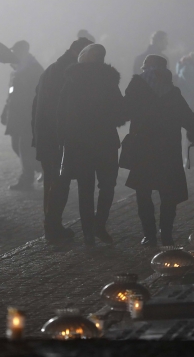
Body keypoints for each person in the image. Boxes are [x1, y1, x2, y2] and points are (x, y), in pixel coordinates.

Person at [124, 55, 194, 247]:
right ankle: (166, 233)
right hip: (167, 149)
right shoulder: (172, 91)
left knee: (143, 192)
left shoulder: (136, 88)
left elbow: (124, 112)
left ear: (146, 68)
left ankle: (149, 235)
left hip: (142, 148)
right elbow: (187, 117)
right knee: (168, 192)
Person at [56, 44, 126, 247]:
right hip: (105, 140)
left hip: (79, 143)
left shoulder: (72, 81)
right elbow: (120, 112)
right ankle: (99, 224)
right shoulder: (109, 81)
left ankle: (88, 232)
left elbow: (62, 112)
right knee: (107, 186)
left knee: (85, 188)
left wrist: (64, 139)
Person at [32, 37, 93, 243]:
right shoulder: (71, 73)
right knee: (59, 184)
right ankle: (52, 228)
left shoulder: (51, 70)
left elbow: (36, 103)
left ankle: (52, 226)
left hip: (45, 137)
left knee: (52, 182)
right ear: (79, 53)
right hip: (59, 138)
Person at [2, 40, 44, 190]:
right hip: (16, 114)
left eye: (16, 52)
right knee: (16, 146)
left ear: (24, 51)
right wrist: (5, 110)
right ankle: (42, 168)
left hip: (28, 114)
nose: (13, 54)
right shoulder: (16, 70)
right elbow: (12, 92)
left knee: (24, 147)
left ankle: (26, 179)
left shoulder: (34, 69)